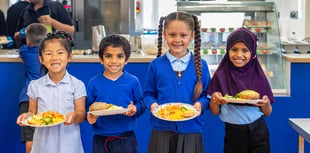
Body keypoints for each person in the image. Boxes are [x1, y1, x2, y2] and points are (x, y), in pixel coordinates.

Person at [143, 11, 211, 153]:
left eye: (183, 35)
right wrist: (152, 104)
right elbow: (148, 94)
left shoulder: (201, 65)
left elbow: (206, 95)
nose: (177, 40)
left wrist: (200, 104)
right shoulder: (156, 65)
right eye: (172, 35)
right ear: (164, 35)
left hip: (191, 130)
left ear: (192, 36)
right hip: (162, 130)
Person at [207, 27, 274, 153]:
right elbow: (214, 111)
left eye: (245, 50)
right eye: (234, 49)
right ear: (227, 50)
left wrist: (266, 104)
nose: (239, 55)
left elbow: (267, 113)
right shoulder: (221, 75)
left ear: (253, 52)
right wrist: (215, 101)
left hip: (259, 130)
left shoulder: (258, 75)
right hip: (234, 132)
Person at [16, 31, 86, 153]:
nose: (54, 58)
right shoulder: (35, 86)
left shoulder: (77, 85)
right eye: (48, 53)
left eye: (60, 52)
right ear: (41, 59)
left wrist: (74, 116)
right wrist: (26, 116)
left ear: (69, 56)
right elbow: (33, 112)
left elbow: (81, 114)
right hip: (43, 144)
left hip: (69, 143)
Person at [86, 35, 145, 153]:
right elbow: (88, 107)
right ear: (101, 59)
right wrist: (90, 116)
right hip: (100, 138)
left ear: (127, 59)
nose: (114, 61)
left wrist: (135, 109)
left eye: (120, 56)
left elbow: (141, 105)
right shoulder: (94, 82)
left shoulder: (133, 81)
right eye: (108, 56)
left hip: (126, 138)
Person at [18, 23, 47, 153]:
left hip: (27, 98)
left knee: (30, 138)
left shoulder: (24, 51)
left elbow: (21, 39)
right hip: (45, 97)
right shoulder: (47, 55)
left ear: (28, 40)